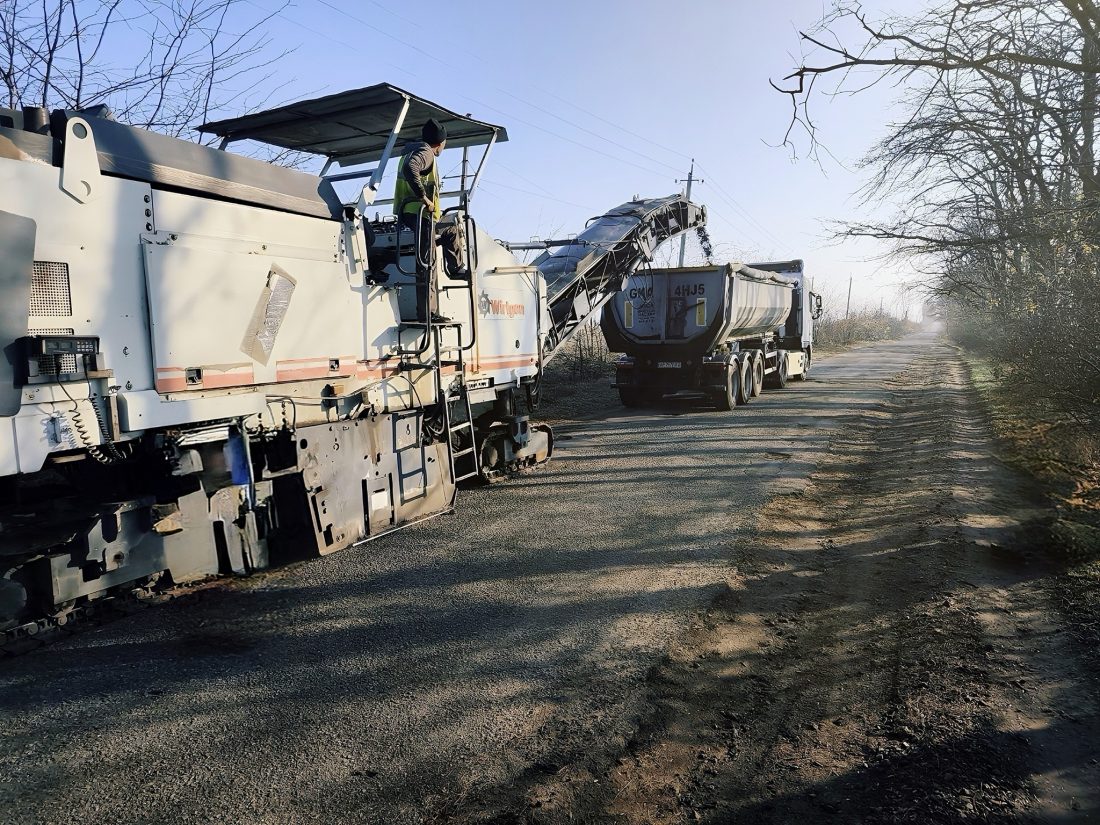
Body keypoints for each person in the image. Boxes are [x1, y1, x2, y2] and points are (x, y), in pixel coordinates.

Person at [393, 118, 467, 323]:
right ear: (439, 142)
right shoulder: (425, 153)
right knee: (428, 264)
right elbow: (411, 168)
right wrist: (424, 198)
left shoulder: (409, 150)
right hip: (420, 215)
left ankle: (456, 268)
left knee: (450, 229)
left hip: (413, 214)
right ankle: (429, 314)